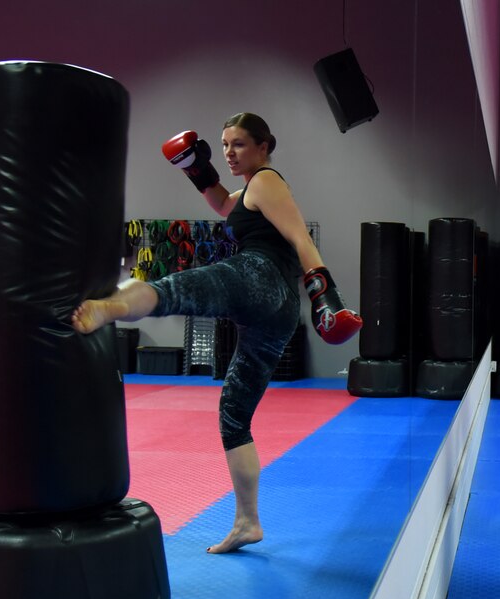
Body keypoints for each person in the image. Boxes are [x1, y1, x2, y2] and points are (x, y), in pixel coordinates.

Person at [72, 112, 362, 553]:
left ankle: (111, 306)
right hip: (275, 312)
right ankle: (248, 522)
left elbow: (301, 239)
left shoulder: (267, 181)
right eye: (225, 144)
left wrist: (326, 295)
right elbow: (224, 205)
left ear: (265, 146)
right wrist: (197, 169)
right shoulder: (249, 192)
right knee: (233, 414)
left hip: (257, 277)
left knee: (177, 288)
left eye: (239, 144)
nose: (230, 152)